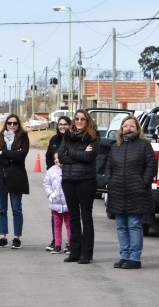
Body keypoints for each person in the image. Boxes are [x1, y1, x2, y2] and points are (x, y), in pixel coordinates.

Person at [105, 114, 157, 270]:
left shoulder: (144, 145)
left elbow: (151, 166)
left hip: (137, 192)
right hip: (117, 192)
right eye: (126, 126)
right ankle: (124, 255)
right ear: (121, 128)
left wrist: (144, 182)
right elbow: (108, 166)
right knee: (121, 226)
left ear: (137, 128)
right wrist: (109, 180)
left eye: (132, 126)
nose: (128, 128)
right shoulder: (116, 146)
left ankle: (134, 258)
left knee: (134, 225)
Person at [58, 109, 99, 264]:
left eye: (82, 119)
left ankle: (86, 254)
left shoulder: (93, 136)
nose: (79, 121)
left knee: (86, 217)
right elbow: (61, 155)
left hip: (86, 181)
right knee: (73, 217)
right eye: (76, 118)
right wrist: (79, 153)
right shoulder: (68, 135)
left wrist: (71, 152)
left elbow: (89, 157)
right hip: (68, 180)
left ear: (87, 120)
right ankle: (74, 252)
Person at [0, 114, 29, 249]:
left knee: (16, 209)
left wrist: (3, 153)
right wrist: (10, 157)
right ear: (6, 124)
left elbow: (21, 155)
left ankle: (17, 238)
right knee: (1, 209)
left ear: (18, 125)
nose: (12, 125)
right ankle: (3, 237)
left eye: (15, 123)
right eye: (9, 123)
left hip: (16, 178)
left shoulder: (23, 137)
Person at [44, 116, 71, 251]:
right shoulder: (54, 140)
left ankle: (71, 243)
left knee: (69, 219)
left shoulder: (72, 140)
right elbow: (48, 156)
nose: (62, 127)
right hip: (55, 182)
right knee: (55, 217)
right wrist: (51, 170)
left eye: (65, 124)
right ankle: (56, 241)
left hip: (68, 180)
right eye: (60, 124)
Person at [42, 155, 71, 254]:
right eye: (55, 159)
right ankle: (57, 244)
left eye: (58, 158)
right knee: (57, 224)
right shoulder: (51, 170)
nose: (56, 160)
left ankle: (70, 244)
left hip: (68, 203)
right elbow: (46, 183)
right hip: (56, 202)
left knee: (69, 224)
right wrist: (50, 194)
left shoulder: (69, 168)